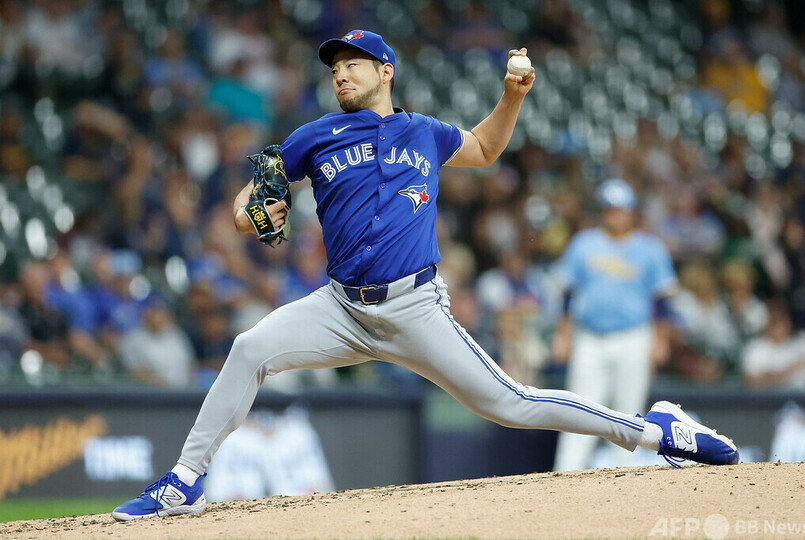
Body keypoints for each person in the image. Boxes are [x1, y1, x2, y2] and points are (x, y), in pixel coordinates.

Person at [112, 30, 739, 521]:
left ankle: (655, 431)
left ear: (385, 70)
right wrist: (252, 212)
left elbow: (485, 150)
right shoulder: (314, 136)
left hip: (415, 307)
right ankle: (184, 481)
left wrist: (513, 97)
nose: (340, 73)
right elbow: (251, 197)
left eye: (353, 63)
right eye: (334, 67)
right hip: (341, 308)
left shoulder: (424, 133)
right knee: (249, 348)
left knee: (511, 404)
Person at [551, 179, 678, 471]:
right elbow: (567, 294)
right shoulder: (584, 243)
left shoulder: (650, 248)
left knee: (629, 412)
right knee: (578, 410)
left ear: (631, 212)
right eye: (609, 209)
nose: (615, 215)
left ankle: (627, 478)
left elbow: (663, 301)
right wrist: (562, 335)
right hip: (589, 338)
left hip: (634, 336)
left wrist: (661, 340)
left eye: (620, 209)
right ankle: (565, 475)